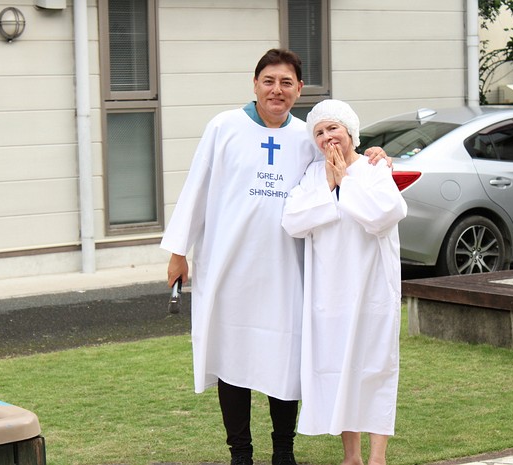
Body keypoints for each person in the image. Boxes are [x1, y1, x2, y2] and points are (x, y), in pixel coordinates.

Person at [160, 49, 388, 465]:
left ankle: (284, 451)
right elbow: (195, 189)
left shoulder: (307, 136)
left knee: (286, 361)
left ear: (299, 89)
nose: (276, 90)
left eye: (286, 83)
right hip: (229, 268)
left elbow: (341, 165)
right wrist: (179, 253)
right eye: (269, 81)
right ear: (255, 84)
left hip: (288, 271)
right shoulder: (224, 127)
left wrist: (376, 156)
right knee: (232, 358)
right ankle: (240, 454)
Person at [281, 99, 407, 465]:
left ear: (350, 132)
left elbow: (387, 213)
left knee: (376, 368)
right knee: (340, 370)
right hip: (330, 292)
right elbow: (291, 221)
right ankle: (351, 455)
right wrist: (329, 188)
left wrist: (345, 184)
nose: (327, 137)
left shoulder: (373, 168)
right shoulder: (312, 176)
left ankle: (377, 456)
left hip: (372, 291)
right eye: (319, 132)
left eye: (333, 128)